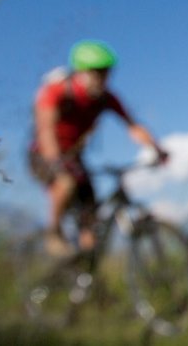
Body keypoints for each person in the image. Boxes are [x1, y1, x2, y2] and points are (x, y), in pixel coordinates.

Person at [30, 40, 168, 257]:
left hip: (74, 157)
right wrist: (55, 160)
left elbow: (132, 125)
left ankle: (85, 272)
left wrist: (156, 148)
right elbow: (45, 129)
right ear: (80, 72)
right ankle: (53, 232)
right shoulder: (56, 91)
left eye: (106, 72)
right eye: (97, 72)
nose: (103, 78)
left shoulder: (106, 98)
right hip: (43, 154)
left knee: (91, 217)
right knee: (65, 183)